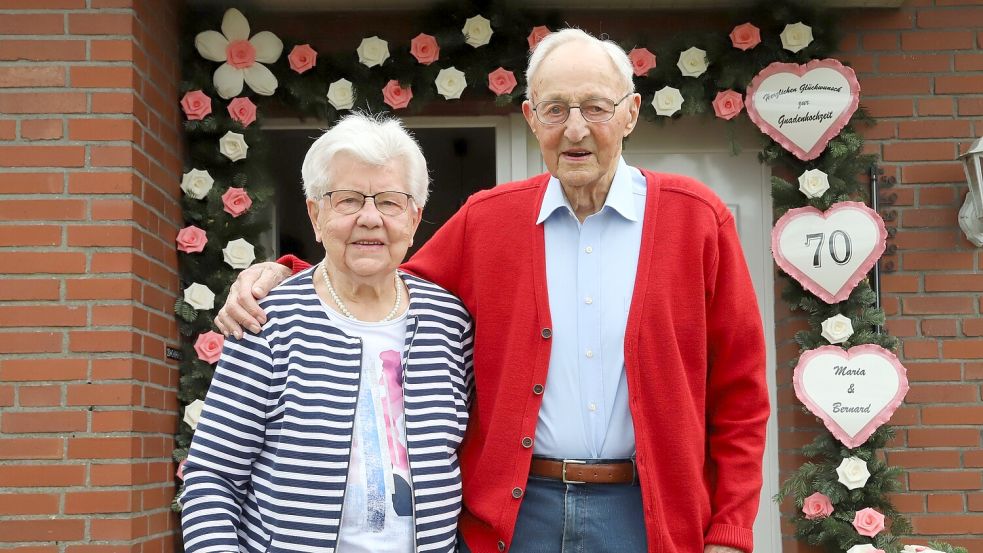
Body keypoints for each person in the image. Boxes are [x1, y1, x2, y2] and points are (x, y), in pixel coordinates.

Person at [216, 29, 769, 553]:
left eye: (596, 107)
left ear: (631, 113)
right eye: (555, 109)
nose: (575, 129)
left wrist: (730, 528)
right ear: (530, 117)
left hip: (647, 514)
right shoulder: (489, 220)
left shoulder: (696, 219)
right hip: (520, 516)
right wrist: (285, 274)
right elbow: (382, 277)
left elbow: (740, 392)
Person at [181, 113, 473, 553]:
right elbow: (212, 477)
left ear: (415, 219)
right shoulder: (268, 321)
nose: (370, 218)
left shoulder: (448, 322)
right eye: (348, 200)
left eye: (390, 202)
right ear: (316, 216)